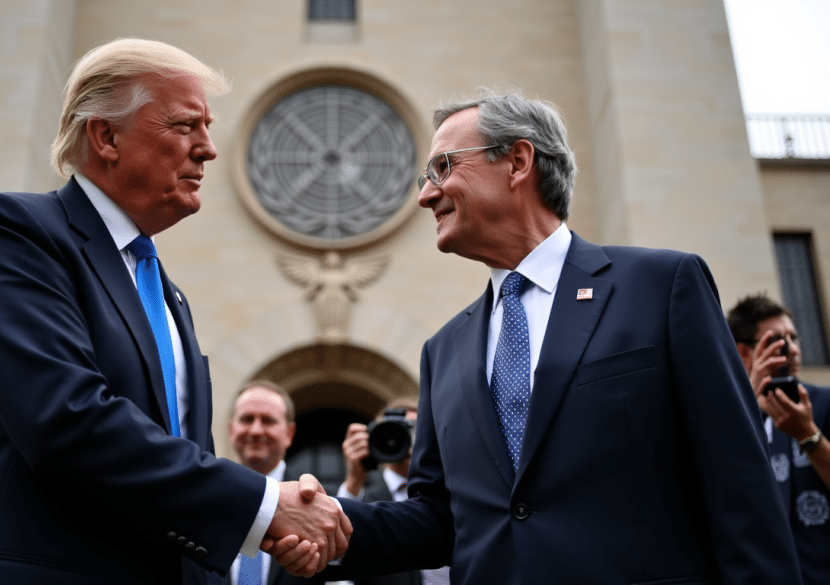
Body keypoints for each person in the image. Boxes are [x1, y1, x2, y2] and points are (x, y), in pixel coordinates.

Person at [272, 89, 802, 584]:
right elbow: (438, 519)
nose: (426, 196)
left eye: (442, 167)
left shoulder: (661, 288)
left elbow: (740, 487)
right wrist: (325, 523)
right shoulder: (445, 351)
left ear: (518, 163)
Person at [0, 38, 349, 585]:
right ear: (106, 136)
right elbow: (66, 421)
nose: (209, 149)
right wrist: (262, 507)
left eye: (207, 128)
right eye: (186, 126)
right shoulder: (16, 233)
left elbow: (174, 460)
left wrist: (273, 532)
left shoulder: (165, 291)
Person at [726, 293, 830, 584]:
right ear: (744, 353)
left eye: (794, 338)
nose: (793, 350)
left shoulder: (824, 404)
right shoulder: (727, 418)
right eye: (778, 342)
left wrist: (808, 435)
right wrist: (747, 407)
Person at [222, 381, 326, 585]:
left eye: (268, 420)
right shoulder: (209, 500)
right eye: (247, 419)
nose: (256, 430)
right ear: (231, 429)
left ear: (289, 434)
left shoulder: (320, 504)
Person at [337, 397, 448, 585]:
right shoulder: (363, 498)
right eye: (402, 431)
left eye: (417, 430)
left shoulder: (451, 493)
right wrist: (354, 479)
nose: (411, 440)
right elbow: (340, 561)